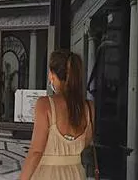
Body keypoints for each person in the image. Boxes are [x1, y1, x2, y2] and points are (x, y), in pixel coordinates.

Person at [20, 49, 94, 180]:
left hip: (48, 174)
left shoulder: (45, 104)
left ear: (53, 74)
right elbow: (86, 142)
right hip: (76, 173)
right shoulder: (89, 107)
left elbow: (36, 152)